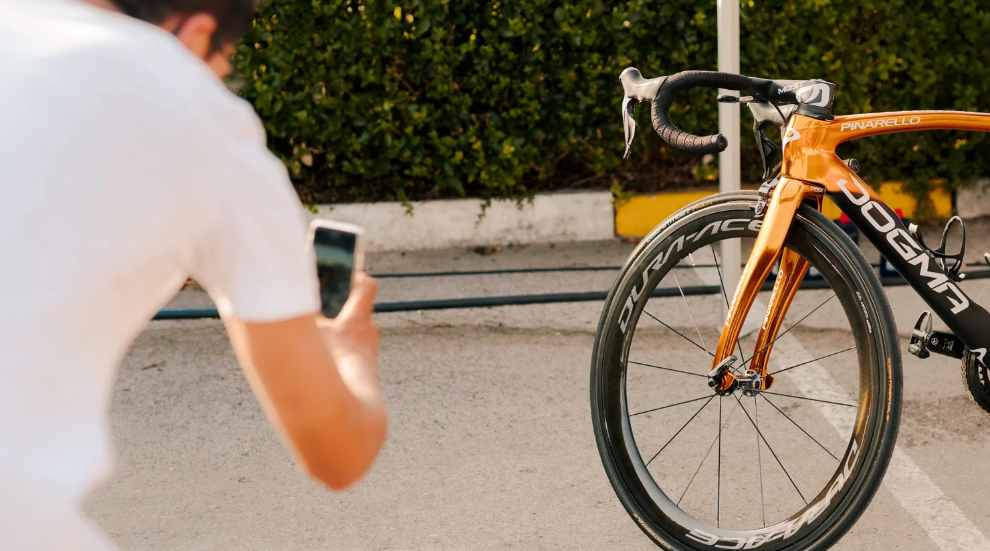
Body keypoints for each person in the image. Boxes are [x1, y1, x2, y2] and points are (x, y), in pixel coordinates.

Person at [0, 0, 388, 549]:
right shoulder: (194, 109)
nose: (218, 80)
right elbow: (337, 451)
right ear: (199, 30)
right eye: (223, 64)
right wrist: (350, 353)